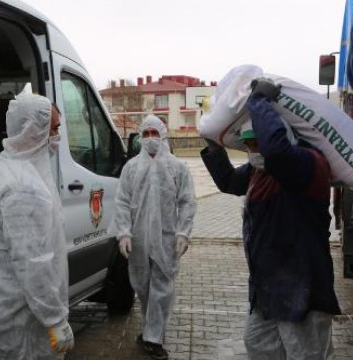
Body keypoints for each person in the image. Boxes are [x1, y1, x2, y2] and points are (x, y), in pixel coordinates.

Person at [201, 79, 341, 359]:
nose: (253, 151)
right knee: (257, 343)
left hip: (302, 287)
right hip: (268, 289)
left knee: (305, 354)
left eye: (257, 143)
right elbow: (229, 181)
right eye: (249, 145)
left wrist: (258, 102)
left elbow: (276, 153)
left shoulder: (308, 164)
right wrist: (213, 145)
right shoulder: (259, 171)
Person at [0, 94, 73, 360]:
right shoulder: (23, 187)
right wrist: (55, 319)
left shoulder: (7, 166)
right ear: (34, 129)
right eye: (54, 129)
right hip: (26, 318)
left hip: (15, 309)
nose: (57, 137)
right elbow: (34, 264)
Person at [110, 115, 196, 360]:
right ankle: (150, 329)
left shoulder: (177, 167)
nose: (149, 139)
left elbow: (187, 201)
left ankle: (154, 338)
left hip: (167, 238)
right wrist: (124, 232)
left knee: (162, 288)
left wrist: (183, 233)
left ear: (163, 135)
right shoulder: (131, 167)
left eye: (154, 133)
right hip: (138, 240)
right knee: (143, 287)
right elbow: (122, 201)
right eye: (145, 134)